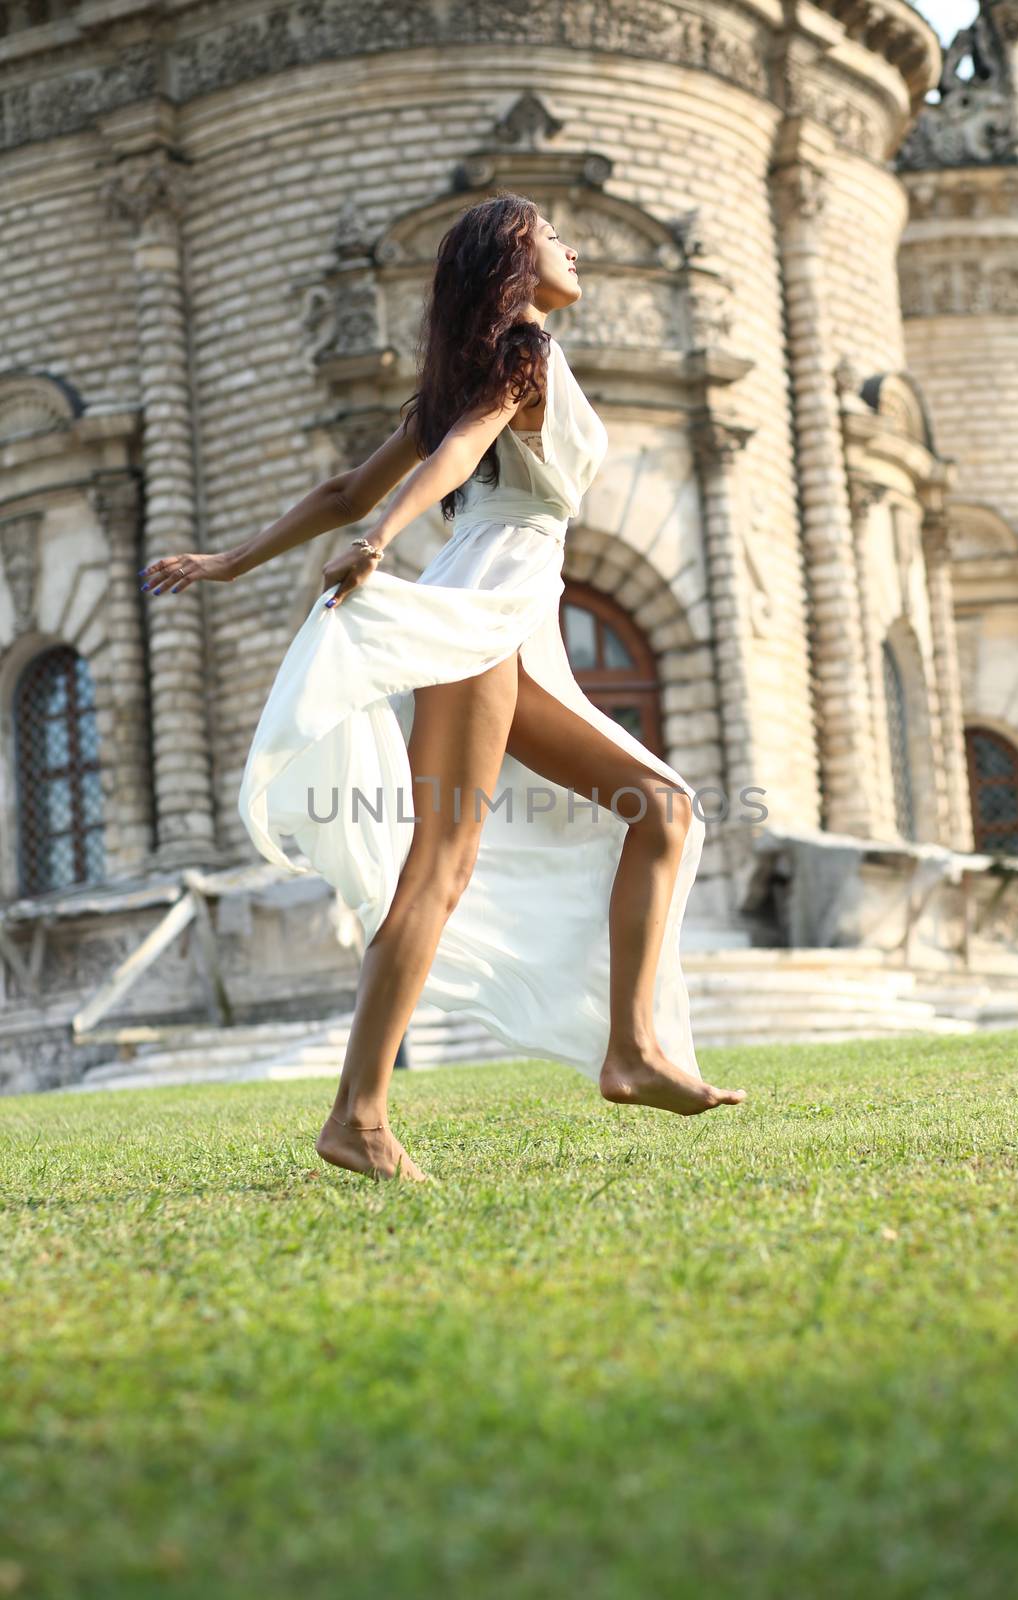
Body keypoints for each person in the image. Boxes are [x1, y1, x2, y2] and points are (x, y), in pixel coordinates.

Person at [138, 193, 746, 1183]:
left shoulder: (475, 372)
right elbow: (416, 478)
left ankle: (631, 1049)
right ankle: (358, 1116)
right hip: (485, 603)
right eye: (553, 235)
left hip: (510, 609)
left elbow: (346, 488)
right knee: (441, 866)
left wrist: (231, 560)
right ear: (514, 256)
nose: (572, 246)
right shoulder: (521, 356)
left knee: (663, 811)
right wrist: (373, 542)